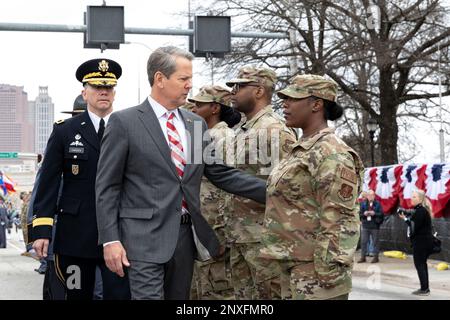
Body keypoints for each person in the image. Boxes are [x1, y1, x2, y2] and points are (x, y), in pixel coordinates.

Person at [95, 46, 267, 300]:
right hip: (142, 240)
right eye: (183, 79)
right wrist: (110, 240)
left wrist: (274, 190)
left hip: (185, 239)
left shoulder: (194, 124)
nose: (189, 86)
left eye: (191, 79)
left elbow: (220, 174)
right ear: (160, 80)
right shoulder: (124, 122)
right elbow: (107, 187)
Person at [31, 58, 130, 300]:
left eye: (109, 88)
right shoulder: (65, 130)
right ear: (84, 93)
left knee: (119, 296)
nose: (103, 92)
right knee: (77, 295)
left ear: (114, 93)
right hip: (75, 235)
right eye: (97, 87)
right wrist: (42, 230)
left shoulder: (128, 129)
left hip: (119, 233)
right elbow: (48, 183)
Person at [258, 74, 364, 300]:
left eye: (294, 99)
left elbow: (340, 219)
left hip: (317, 274)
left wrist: (328, 275)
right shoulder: (301, 150)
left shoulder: (330, 152)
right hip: (295, 266)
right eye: (284, 99)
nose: (285, 104)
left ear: (317, 104)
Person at [224, 66, 297, 299]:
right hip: (241, 236)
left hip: (264, 240)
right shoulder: (243, 130)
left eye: (239, 86)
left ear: (258, 91)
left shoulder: (274, 130)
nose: (232, 92)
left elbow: (289, 189)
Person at [188, 85, 241, 299]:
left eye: (199, 105)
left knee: (218, 289)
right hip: (203, 224)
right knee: (202, 287)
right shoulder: (205, 135)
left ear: (214, 108)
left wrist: (221, 231)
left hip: (216, 227)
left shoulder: (223, 137)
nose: (194, 108)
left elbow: (229, 183)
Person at [399, 189, 434, 296]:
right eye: (412, 196)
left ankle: (424, 289)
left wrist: (405, 219)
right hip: (422, 242)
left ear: (420, 199)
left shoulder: (421, 211)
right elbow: (413, 219)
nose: (411, 198)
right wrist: (406, 215)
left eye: (414, 197)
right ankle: (425, 288)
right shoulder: (419, 210)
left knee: (420, 264)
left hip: (421, 242)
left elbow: (414, 226)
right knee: (422, 264)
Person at [358, 189, 383, 263]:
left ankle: (376, 257)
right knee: (363, 242)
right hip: (365, 225)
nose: (370, 196)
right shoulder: (363, 203)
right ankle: (363, 257)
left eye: (372, 195)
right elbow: (359, 214)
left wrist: (374, 213)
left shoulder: (378, 204)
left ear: (374, 196)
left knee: (375, 242)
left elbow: (381, 214)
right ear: (367, 196)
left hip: (374, 225)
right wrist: (364, 213)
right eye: (369, 195)